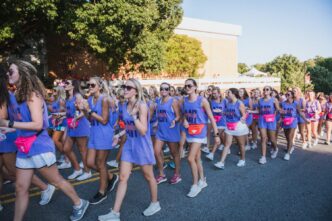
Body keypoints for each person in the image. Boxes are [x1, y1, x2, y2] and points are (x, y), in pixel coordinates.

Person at [0, 60, 89, 221]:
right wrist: (9, 128)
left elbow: (37, 124)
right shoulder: (14, 96)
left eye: (11, 71)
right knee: (20, 188)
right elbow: (22, 122)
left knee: (56, 181)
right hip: (24, 148)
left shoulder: (32, 95)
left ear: (22, 73)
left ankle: (79, 202)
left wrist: (9, 123)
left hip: (39, 146)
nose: (8, 74)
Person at [98, 79, 160, 221]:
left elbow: (143, 131)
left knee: (148, 176)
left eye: (128, 87)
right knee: (123, 177)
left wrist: (134, 115)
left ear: (136, 90)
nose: (124, 89)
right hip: (129, 144)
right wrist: (118, 135)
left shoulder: (142, 106)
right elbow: (128, 127)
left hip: (142, 145)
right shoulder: (124, 105)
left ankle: (155, 203)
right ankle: (115, 213)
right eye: (123, 87)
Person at [78, 77, 119, 204]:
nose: (89, 86)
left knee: (101, 163)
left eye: (92, 84)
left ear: (99, 87)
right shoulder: (90, 99)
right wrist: (84, 110)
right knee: (89, 162)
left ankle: (102, 192)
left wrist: (89, 110)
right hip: (94, 133)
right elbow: (90, 119)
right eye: (88, 84)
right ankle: (111, 177)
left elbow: (104, 120)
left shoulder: (105, 99)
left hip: (104, 133)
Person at [181, 79, 220, 198]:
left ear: (195, 87)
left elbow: (211, 118)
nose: (187, 87)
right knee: (197, 158)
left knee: (190, 158)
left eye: (190, 85)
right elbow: (184, 115)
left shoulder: (202, 100)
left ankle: (195, 185)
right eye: (186, 85)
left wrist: (216, 135)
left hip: (200, 132)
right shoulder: (184, 101)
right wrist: (185, 121)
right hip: (190, 131)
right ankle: (202, 180)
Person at [61, 80, 91, 181]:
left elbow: (83, 112)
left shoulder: (77, 96)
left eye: (67, 83)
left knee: (82, 150)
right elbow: (69, 113)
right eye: (64, 83)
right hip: (71, 125)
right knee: (66, 148)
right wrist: (60, 116)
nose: (64, 85)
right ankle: (77, 169)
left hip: (80, 125)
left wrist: (75, 118)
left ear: (73, 86)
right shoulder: (68, 98)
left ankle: (87, 172)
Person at [154, 82, 182, 185]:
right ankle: (162, 175)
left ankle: (177, 174)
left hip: (171, 131)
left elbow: (179, 115)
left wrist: (175, 120)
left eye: (166, 88)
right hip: (161, 131)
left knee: (174, 154)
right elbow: (159, 114)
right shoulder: (158, 100)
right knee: (156, 151)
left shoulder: (173, 101)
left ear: (169, 90)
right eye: (162, 88)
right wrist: (156, 122)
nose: (164, 90)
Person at [214, 88, 249, 169]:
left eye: (228, 92)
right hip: (229, 126)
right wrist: (221, 111)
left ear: (233, 94)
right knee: (226, 144)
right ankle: (221, 162)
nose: (227, 94)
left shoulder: (239, 103)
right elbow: (227, 112)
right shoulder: (228, 102)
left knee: (241, 144)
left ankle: (242, 159)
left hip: (238, 126)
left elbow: (244, 114)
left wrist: (243, 118)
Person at [280, 91, 308, 160]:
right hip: (285, 121)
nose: (286, 95)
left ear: (292, 96)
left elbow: (300, 113)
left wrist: (305, 120)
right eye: (286, 94)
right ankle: (291, 146)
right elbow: (280, 112)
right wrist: (281, 114)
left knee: (290, 136)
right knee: (287, 137)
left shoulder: (296, 103)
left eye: (288, 94)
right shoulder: (283, 103)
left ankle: (288, 153)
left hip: (293, 121)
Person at [257, 86, 280, 164]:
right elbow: (258, 111)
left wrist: (275, 114)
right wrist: (249, 111)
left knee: (272, 138)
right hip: (262, 119)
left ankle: (276, 148)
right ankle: (263, 157)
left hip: (270, 120)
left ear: (270, 91)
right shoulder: (260, 100)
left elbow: (278, 109)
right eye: (264, 89)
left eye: (267, 89)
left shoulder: (274, 100)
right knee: (263, 138)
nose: (265, 91)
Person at [206, 87, 226, 160]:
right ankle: (226, 146)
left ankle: (212, 153)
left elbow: (229, 110)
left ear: (219, 93)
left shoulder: (224, 101)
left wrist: (223, 112)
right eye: (213, 93)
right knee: (221, 136)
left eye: (215, 93)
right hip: (215, 122)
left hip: (222, 122)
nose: (213, 95)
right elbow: (209, 111)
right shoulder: (211, 102)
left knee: (216, 136)